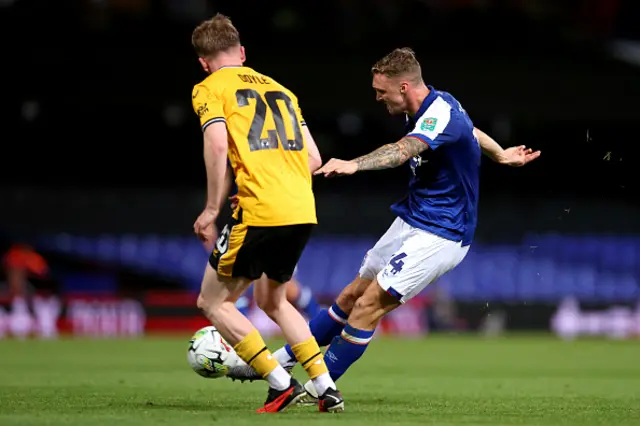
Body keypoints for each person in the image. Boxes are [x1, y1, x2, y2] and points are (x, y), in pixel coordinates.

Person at [226, 47, 541, 399]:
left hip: (443, 234)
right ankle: (283, 361)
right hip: (414, 218)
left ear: (404, 87)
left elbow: (402, 151)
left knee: (368, 306)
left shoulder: (438, 114)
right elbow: (470, 129)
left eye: (382, 91)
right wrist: (499, 153)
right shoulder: (438, 106)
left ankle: (318, 387)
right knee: (350, 296)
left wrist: (354, 164)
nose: (377, 97)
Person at [190, 14, 343, 413]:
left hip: (262, 208)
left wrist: (211, 209)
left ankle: (279, 383)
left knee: (212, 303)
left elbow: (218, 146)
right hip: (301, 208)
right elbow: (314, 157)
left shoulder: (209, 88)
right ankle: (325, 387)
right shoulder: (283, 91)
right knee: (274, 301)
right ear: (242, 53)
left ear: (204, 62)